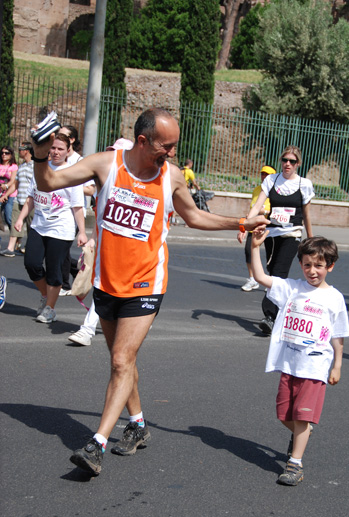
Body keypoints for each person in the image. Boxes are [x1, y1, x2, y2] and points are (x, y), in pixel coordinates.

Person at [31, 107, 268, 476]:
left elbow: (194, 216)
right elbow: (47, 182)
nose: (172, 153)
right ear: (143, 141)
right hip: (107, 281)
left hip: (147, 282)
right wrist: (40, 151)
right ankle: (138, 424)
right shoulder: (107, 165)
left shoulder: (170, 177)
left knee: (121, 360)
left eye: (174, 146)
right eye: (166, 145)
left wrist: (240, 221)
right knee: (121, 361)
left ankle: (97, 445)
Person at [250, 234, 349, 485]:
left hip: (315, 366)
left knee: (302, 416)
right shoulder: (292, 288)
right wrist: (254, 246)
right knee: (285, 416)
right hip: (289, 365)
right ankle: (302, 433)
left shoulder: (334, 298)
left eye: (319, 265)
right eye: (307, 265)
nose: (312, 271)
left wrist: (337, 364)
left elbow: (338, 335)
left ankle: (295, 464)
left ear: (330, 266)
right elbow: (261, 277)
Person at [67, 139, 134, 347]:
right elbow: (100, 215)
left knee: (127, 289)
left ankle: (139, 315)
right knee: (102, 286)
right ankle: (87, 329)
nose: (112, 155)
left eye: (117, 152)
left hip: (132, 249)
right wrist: (92, 238)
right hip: (107, 246)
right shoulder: (104, 179)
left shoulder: (136, 185)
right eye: (111, 151)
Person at [15, 133, 87, 323]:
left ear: (67, 151)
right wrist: (21, 219)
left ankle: (50, 308)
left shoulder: (72, 173)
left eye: (60, 149)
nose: (55, 152)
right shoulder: (41, 168)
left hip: (61, 227)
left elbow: (77, 206)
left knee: (54, 270)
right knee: (32, 264)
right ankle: (47, 295)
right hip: (39, 224)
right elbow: (31, 196)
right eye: (53, 148)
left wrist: (82, 231)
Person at [247, 145, 314, 335]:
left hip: (292, 234)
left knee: (278, 272)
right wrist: (246, 225)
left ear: (298, 164)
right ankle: (283, 310)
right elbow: (258, 205)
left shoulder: (304, 184)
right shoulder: (271, 180)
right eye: (284, 160)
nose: (287, 164)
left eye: (292, 161)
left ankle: (270, 316)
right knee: (271, 272)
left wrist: (311, 239)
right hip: (271, 235)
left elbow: (307, 216)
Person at [58, 125, 96, 295]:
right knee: (55, 249)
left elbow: (90, 190)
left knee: (62, 249)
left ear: (71, 140)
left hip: (73, 212)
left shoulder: (80, 161)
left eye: (63, 136)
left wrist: (69, 186)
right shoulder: (56, 158)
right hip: (56, 211)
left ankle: (64, 284)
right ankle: (75, 269)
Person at [238, 165, 276, 291]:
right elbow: (252, 209)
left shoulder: (276, 190)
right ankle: (253, 279)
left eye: (267, 174)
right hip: (254, 226)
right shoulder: (257, 190)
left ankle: (271, 280)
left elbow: (274, 209)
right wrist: (243, 228)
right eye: (263, 174)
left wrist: (263, 210)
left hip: (269, 225)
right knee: (249, 251)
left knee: (271, 255)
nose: (264, 176)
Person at [0, 142, 34, 257]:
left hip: (31, 201)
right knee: (15, 223)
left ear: (27, 151)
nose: (19, 151)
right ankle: (10, 248)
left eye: (21, 149)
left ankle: (31, 248)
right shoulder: (22, 166)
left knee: (31, 226)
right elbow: (16, 184)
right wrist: (6, 195)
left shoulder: (35, 166)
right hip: (18, 199)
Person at [0, 146, 18, 230]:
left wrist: (6, 186)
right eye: (2, 153)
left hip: (10, 194)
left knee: (8, 218)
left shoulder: (13, 166)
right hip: (0, 193)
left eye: (7, 153)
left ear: (11, 155)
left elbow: (13, 180)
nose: (4, 155)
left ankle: (15, 235)